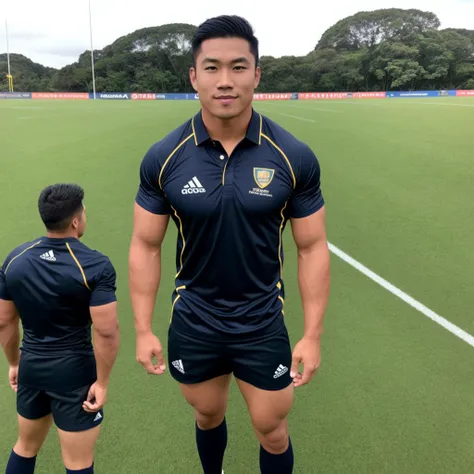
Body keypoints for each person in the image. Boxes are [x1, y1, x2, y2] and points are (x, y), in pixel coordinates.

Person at [129, 14, 330, 474]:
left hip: (261, 319)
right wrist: (142, 328)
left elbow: (312, 248)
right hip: (195, 319)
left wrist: (313, 334)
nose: (225, 81)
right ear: (194, 76)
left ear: (257, 75)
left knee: (272, 429)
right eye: (213, 67)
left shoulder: (292, 156)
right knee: (207, 414)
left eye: (239, 67)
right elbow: (145, 245)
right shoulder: (163, 157)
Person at [0, 183, 120, 474]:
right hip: (74, 374)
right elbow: (105, 332)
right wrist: (102, 384)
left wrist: (15, 362)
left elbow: (4, 320)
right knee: (78, 462)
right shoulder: (96, 265)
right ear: (76, 220)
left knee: (25, 447)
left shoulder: (15, 260)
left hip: (32, 366)